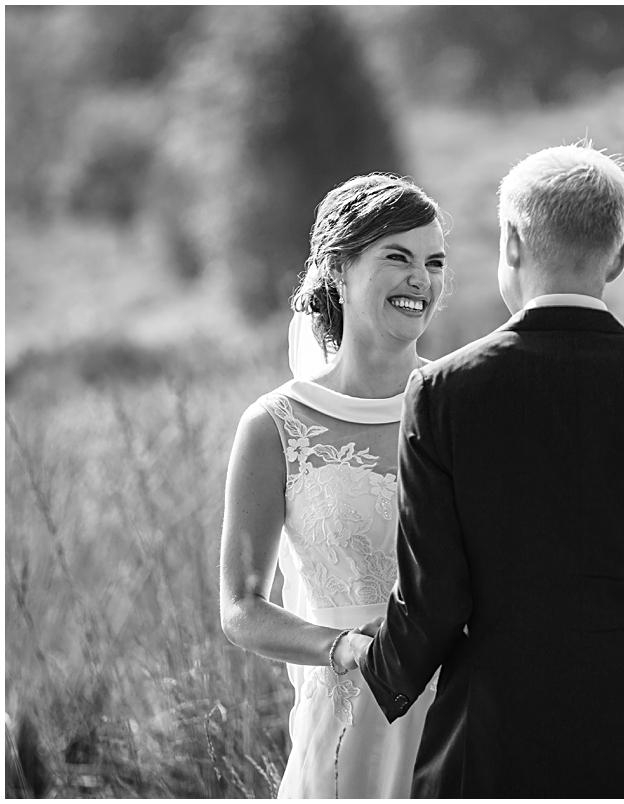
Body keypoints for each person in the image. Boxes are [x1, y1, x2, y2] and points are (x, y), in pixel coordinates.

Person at [356, 144, 624, 797]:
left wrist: (379, 671)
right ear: (620, 256)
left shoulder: (445, 395)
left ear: (512, 242)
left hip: (494, 746)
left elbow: (433, 599)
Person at [219, 173, 447, 798]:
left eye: (433, 262)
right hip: (344, 721)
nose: (420, 280)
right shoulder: (275, 425)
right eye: (396, 257)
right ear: (338, 271)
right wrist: (341, 646)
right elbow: (241, 609)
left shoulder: (464, 407)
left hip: (458, 722)